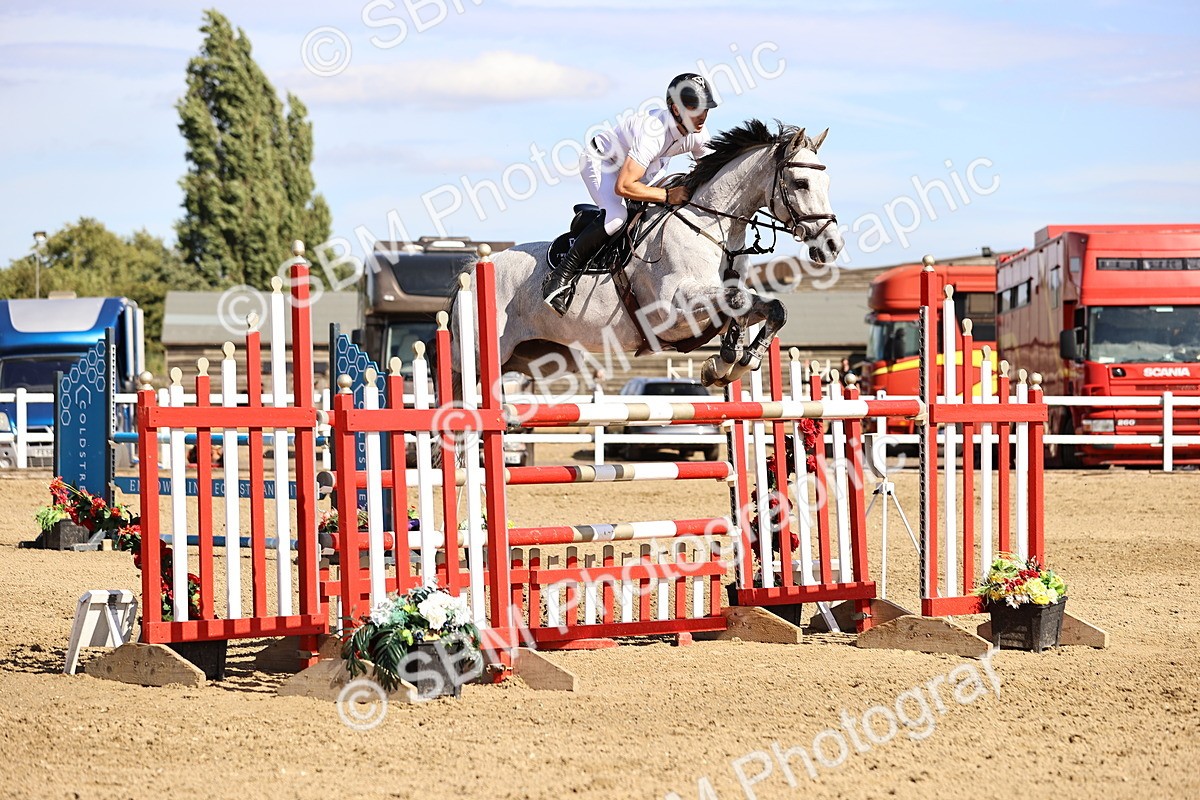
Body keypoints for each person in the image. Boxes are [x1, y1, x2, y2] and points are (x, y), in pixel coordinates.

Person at [542, 73, 719, 316]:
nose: (702, 115)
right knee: (616, 216)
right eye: (694, 108)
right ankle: (559, 278)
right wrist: (668, 195)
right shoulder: (654, 132)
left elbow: (712, 172)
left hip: (645, 168)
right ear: (676, 109)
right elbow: (623, 187)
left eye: (705, 108)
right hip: (603, 162)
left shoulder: (698, 133)